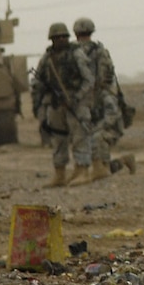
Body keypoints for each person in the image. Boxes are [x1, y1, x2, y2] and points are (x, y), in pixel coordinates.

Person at [30, 23, 95, 186]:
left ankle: (82, 171)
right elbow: (38, 82)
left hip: (75, 102)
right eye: (56, 38)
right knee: (58, 138)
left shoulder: (76, 54)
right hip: (55, 103)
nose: (60, 40)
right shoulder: (47, 58)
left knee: (80, 136)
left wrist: (77, 97)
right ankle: (60, 174)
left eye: (63, 37)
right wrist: (38, 104)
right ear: (51, 39)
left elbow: (89, 80)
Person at [73, 17, 132, 178]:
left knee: (96, 140)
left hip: (107, 124)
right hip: (95, 112)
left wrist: (97, 129)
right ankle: (123, 161)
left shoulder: (105, 92)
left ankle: (109, 167)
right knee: (94, 153)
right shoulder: (96, 52)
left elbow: (112, 114)